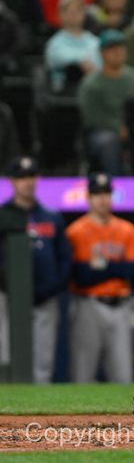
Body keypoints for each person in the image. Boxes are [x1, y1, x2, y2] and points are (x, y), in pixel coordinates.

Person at [66, 172, 134, 383]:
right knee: (82, 375)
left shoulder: (126, 229)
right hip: (88, 304)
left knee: (123, 376)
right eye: (97, 194)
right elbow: (81, 275)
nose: (103, 199)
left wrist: (102, 267)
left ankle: (122, 417)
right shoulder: (76, 231)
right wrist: (116, 267)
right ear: (88, 197)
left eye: (106, 193)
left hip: (120, 305)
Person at [1, 156, 70, 383]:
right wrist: (8, 286)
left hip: (45, 298)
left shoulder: (51, 216)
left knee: (43, 364)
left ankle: (38, 416)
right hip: (7, 297)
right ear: (12, 181)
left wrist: (49, 288)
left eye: (31, 176)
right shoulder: (2, 216)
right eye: (21, 177)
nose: (27, 182)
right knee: (6, 357)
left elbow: (64, 260)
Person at [78, 29, 134, 175]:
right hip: (103, 131)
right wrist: (119, 128)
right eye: (112, 48)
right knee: (109, 142)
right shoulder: (91, 83)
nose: (118, 51)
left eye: (120, 47)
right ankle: (116, 186)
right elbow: (91, 117)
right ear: (102, 53)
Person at [44, 0, 100, 91]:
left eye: (78, 10)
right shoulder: (54, 43)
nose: (73, 15)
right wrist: (80, 61)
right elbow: (56, 59)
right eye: (69, 11)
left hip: (93, 89)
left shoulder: (95, 41)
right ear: (60, 14)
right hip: (64, 90)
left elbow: (100, 65)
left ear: (84, 14)